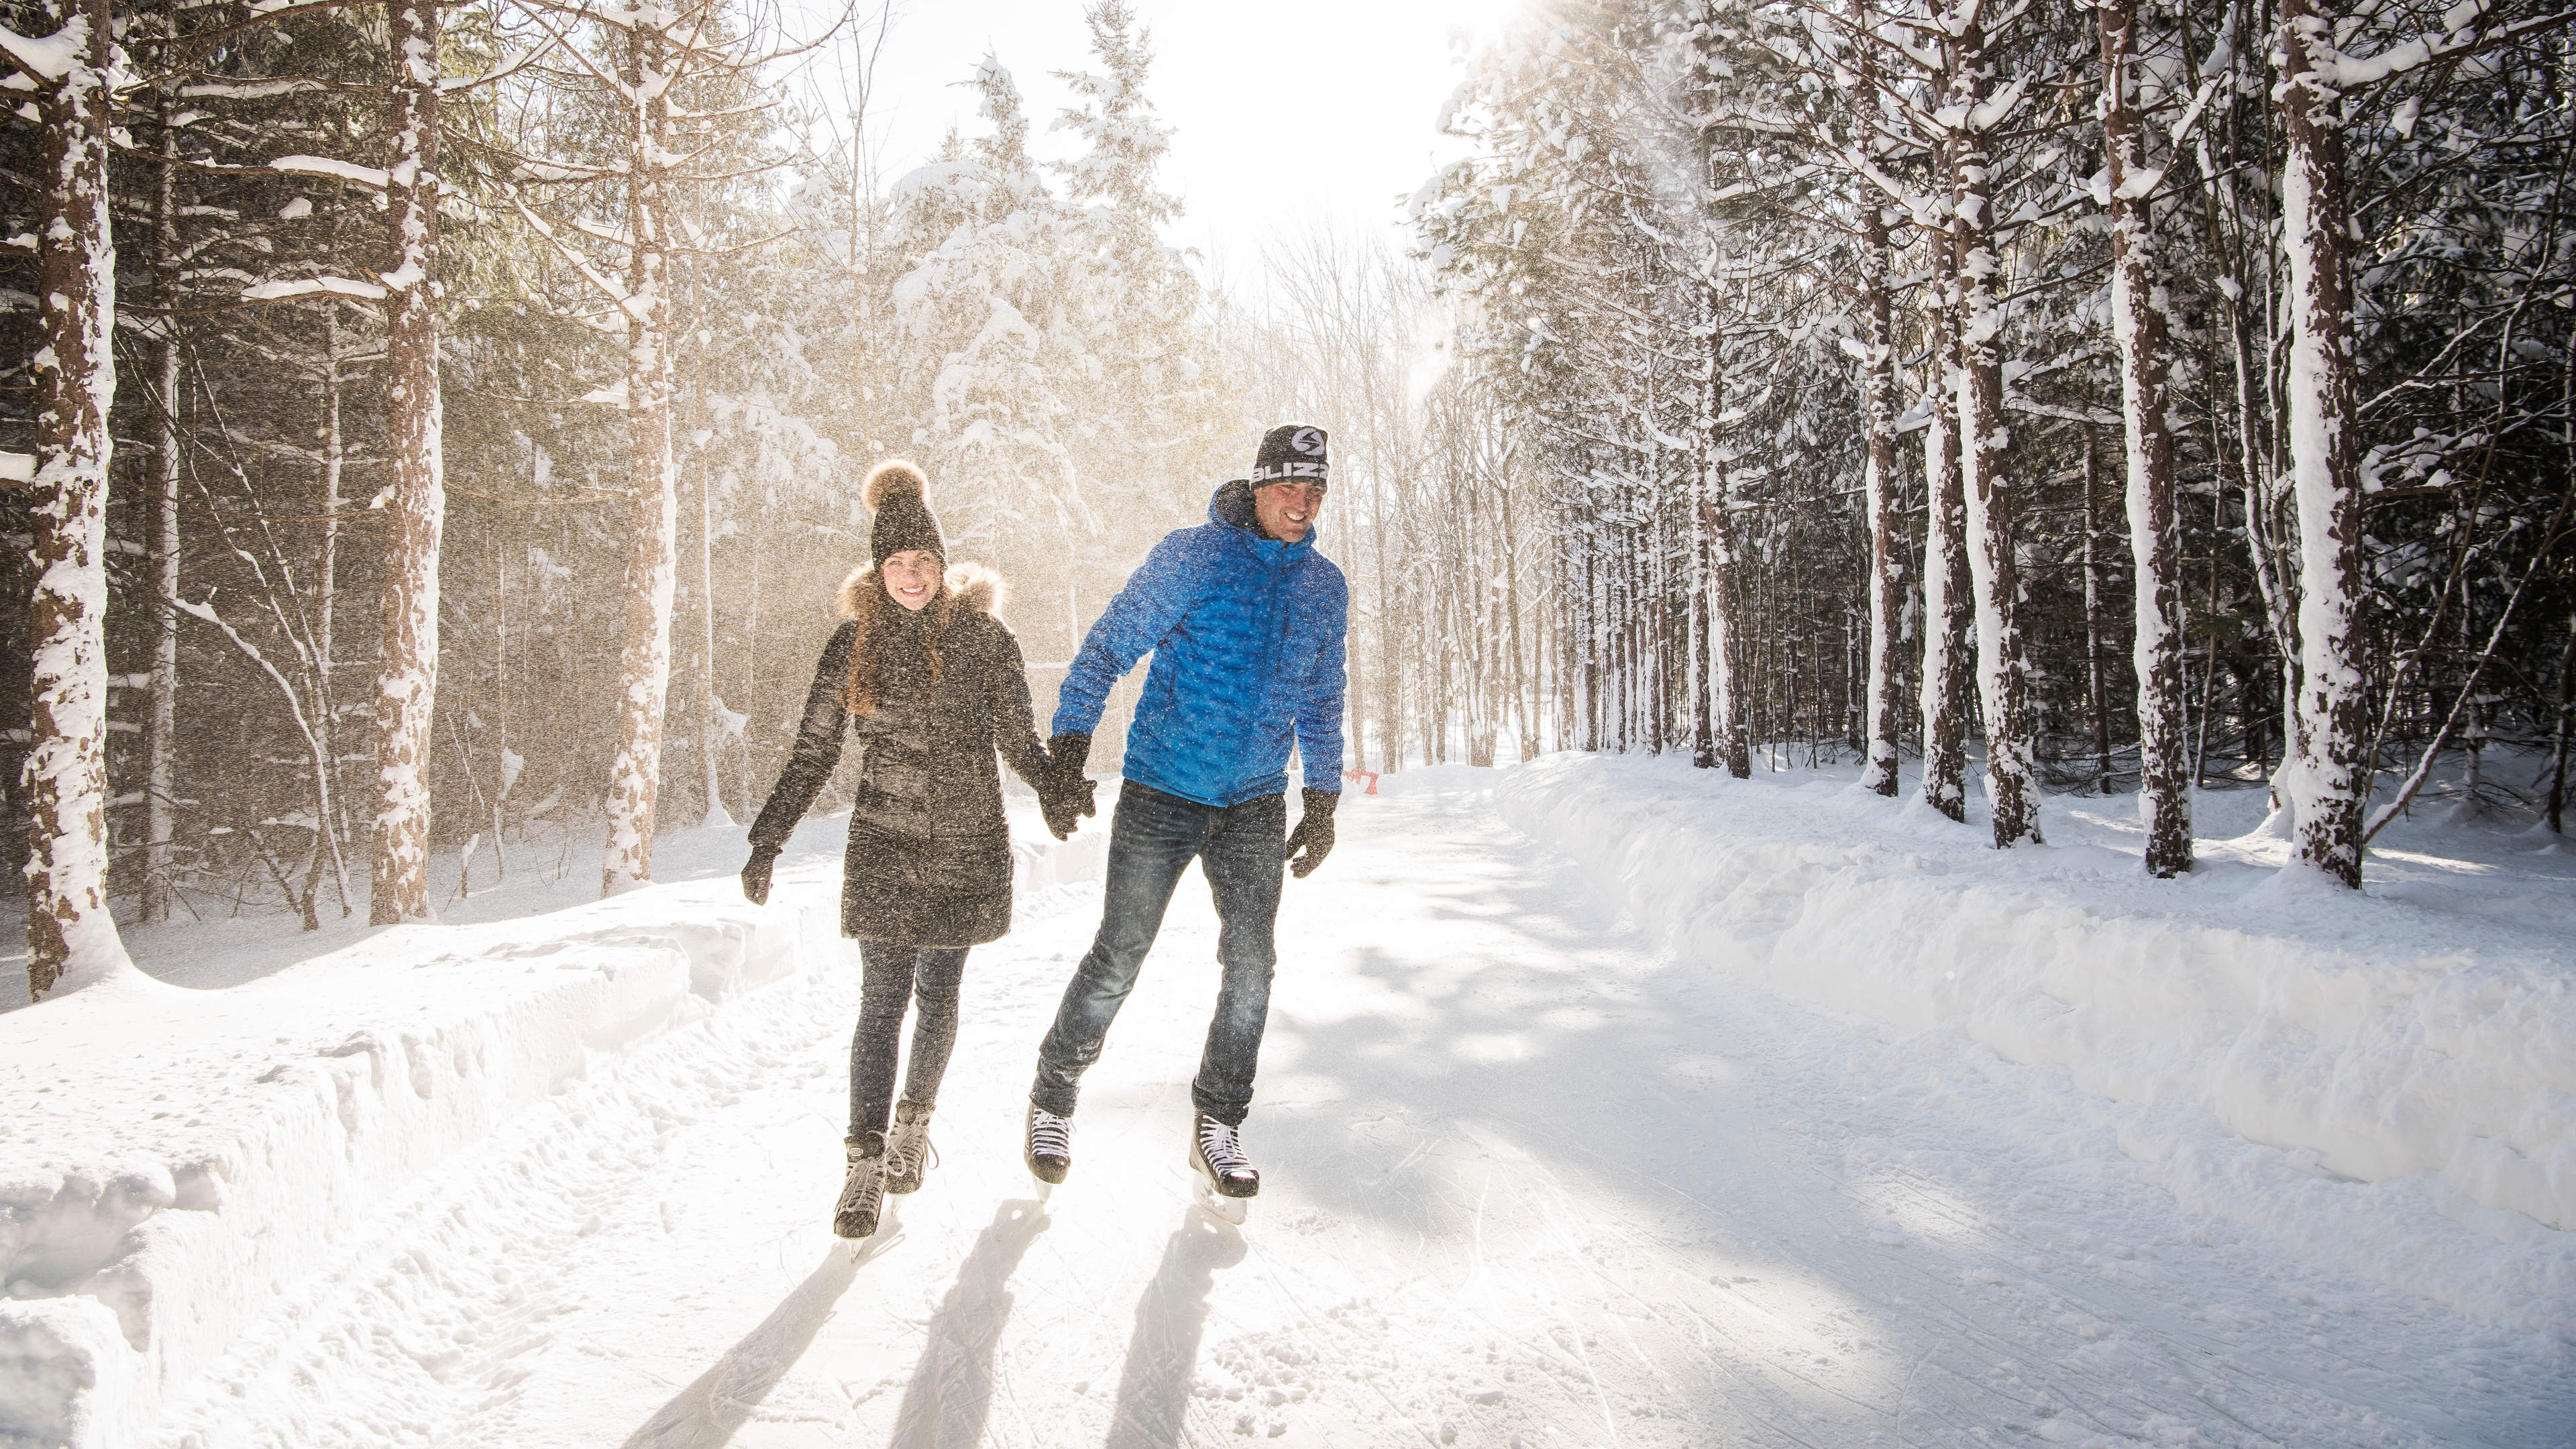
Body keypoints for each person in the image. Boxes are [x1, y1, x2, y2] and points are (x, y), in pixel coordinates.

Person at [741, 460, 1081, 1239]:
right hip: (885, 843)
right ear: (878, 569)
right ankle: (862, 1162)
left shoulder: (985, 639)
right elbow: (813, 751)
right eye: (896, 563)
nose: (912, 576)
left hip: (967, 843)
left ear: (941, 564)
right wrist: (770, 836)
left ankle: (912, 1128)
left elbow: (1016, 739)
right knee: (881, 1002)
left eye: (923, 561)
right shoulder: (851, 644)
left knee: (939, 993)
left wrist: (1057, 789)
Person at [1022, 423, 1349, 1214]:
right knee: (1120, 955)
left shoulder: (1323, 587)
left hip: (1254, 801)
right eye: (1288, 488)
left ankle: (1219, 1119)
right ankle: (1053, 1098)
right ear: (1259, 485)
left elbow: (1322, 694)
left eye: (1315, 491)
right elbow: (1107, 648)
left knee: (1252, 966)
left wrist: (1326, 795)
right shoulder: (1194, 556)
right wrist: (1068, 746)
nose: (1301, 504)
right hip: (1164, 789)